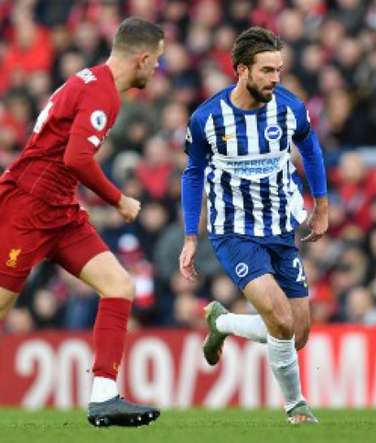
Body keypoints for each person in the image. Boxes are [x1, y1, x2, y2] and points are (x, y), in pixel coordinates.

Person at [0, 18, 164, 427]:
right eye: (157, 60)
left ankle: (105, 395)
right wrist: (119, 199)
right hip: (29, 206)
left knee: (119, 285)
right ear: (142, 58)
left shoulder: (89, 80)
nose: (157, 68)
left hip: (59, 210)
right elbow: (76, 158)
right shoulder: (102, 93)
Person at [179, 27, 327, 425]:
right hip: (234, 231)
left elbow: (311, 151)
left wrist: (322, 206)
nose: (275, 79)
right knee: (279, 318)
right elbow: (192, 175)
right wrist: (191, 235)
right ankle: (296, 407)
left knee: (297, 334)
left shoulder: (290, 109)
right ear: (241, 70)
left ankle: (222, 322)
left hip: (281, 227)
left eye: (278, 70)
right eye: (266, 71)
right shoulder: (207, 119)